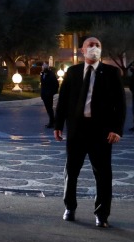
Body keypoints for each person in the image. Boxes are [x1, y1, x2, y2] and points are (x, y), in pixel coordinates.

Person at [54, 37, 126, 228]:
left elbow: (120, 105)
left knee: (103, 174)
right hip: (77, 130)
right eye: (90, 46)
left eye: (98, 46)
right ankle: (69, 207)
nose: (94, 48)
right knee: (71, 171)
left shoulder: (111, 73)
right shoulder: (73, 72)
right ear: (82, 50)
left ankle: (102, 214)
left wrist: (117, 129)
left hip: (101, 132)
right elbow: (63, 101)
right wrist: (58, 124)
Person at [40, 62, 59, 128]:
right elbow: (42, 85)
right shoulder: (42, 74)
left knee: (50, 109)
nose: (43, 67)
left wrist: (52, 92)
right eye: (43, 66)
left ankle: (52, 122)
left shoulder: (51, 75)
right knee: (48, 109)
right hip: (44, 94)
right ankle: (52, 121)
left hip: (49, 94)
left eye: (44, 66)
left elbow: (56, 84)